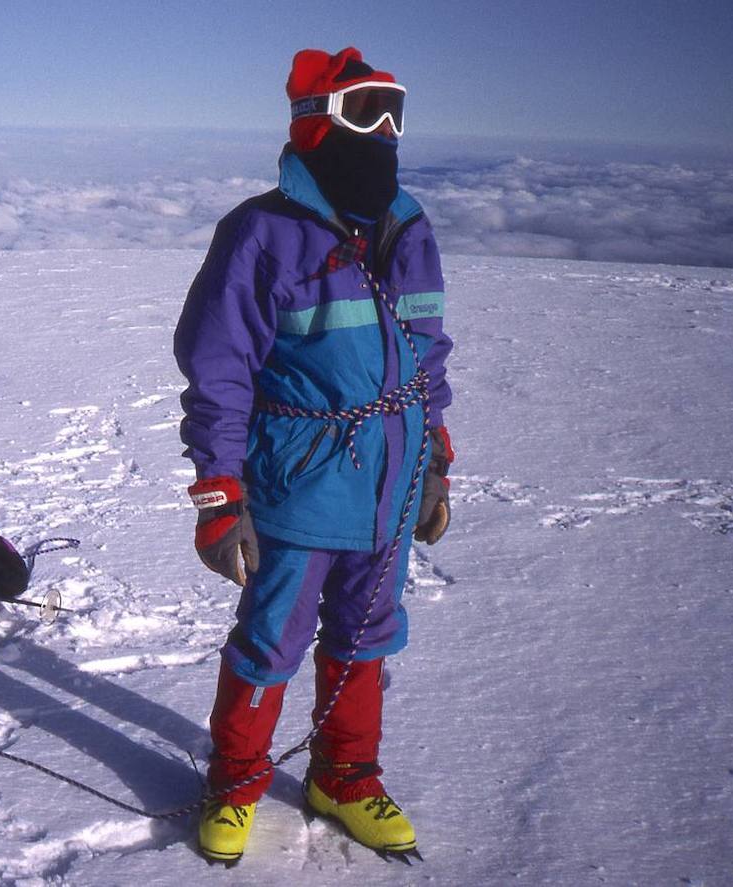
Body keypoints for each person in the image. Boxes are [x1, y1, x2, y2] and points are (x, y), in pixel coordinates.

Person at [173, 46, 454, 865]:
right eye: (367, 112)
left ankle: (344, 777)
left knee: (370, 634)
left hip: (391, 486)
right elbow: (218, 373)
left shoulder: (409, 227)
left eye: (395, 110)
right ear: (315, 125)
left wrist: (433, 459)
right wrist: (221, 497)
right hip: (300, 483)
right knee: (271, 639)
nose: (388, 130)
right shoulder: (263, 235)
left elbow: (427, 354)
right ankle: (234, 785)